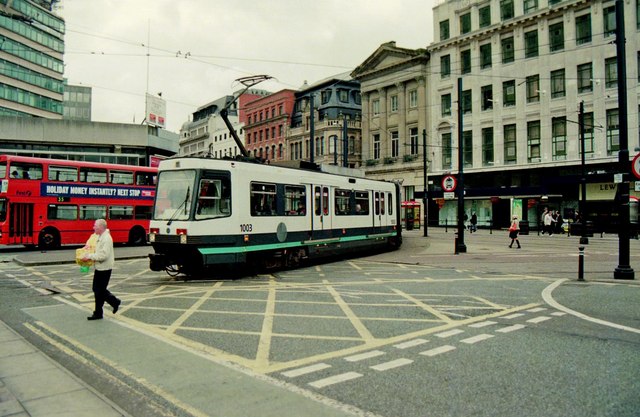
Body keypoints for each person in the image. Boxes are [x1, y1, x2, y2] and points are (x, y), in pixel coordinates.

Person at [82, 219, 121, 320]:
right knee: (98, 290)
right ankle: (102, 310)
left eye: (95, 226)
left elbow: (103, 255)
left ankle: (112, 304)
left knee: (99, 290)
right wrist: (87, 249)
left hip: (105, 268)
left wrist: (90, 256)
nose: (93, 227)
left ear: (101, 227)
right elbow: (93, 246)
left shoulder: (106, 238)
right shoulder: (99, 237)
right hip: (100, 267)